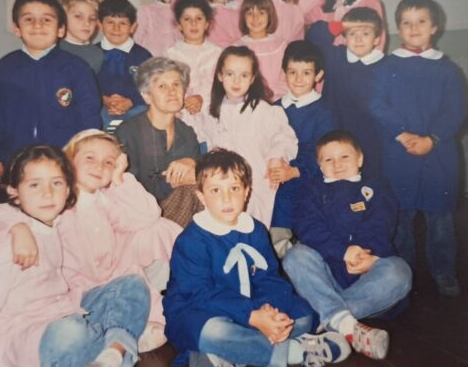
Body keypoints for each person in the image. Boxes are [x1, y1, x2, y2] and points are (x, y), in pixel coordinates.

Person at [0, 145, 150, 366]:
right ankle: (111, 349)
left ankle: (112, 353)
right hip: (21, 337)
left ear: (68, 190)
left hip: (63, 311)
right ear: (14, 193)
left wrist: (119, 180)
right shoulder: (11, 249)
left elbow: (143, 217)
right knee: (71, 332)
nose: (47, 193)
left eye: (56, 183)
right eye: (34, 185)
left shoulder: (59, 222)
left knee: (132, 285)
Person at [0, 130, 182, 352]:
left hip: (111, 274)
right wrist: (17, 227)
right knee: (111, 305)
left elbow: (149, 216)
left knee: (159, 228)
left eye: (109, 162)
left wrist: (120, 179)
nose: (99, 167)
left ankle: (130, 320)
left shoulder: (107, 199)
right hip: (73, 287)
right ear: (69, 161)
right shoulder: (55, 196)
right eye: (90, 158)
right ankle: (115, 329)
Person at [163, 148, 351, 367]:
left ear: (246, 192)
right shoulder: (192, 240)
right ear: (201, 196)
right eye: (215, 190)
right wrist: (252, 316)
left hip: (252, 306)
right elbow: (200, 295)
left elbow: (269, 278)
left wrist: (270, 312)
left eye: (234, 188)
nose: (226, 198)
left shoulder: (256, 230)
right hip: (200, 310)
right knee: (214, 332)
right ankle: (296, 352)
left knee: (302, 317)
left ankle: (232, 354)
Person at [283, 131, 412, 360]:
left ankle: (329, 319)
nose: (337, 164)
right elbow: (308, 227)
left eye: (345, 157)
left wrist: (367, 254)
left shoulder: (376, 187)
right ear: (320, 165)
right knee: (296, 255)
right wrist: (343, 251)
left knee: (399, 271)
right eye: (328, 159)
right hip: (327, 276)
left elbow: (382, 222)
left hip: (368, 280)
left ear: (359, 159)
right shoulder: (311, 190)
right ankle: (345, 325)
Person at [370, 0, 466, 297]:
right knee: (401, 218)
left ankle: (444, 270)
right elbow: (377, 104)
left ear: (435, 27)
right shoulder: (387, 66)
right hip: (400, 155)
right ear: (398, 28)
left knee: (440, 220)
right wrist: (402, 135)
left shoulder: (448, 70)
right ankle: (403, 273)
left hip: (439, 157)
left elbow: (456, 111)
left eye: (421, 22)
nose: (413, 28)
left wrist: (431, 139)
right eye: (406, 23)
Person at [0, 0, 102, 176]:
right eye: (29, 19)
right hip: (16, 163)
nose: (38, 25)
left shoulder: (77, 69)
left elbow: (89, 118)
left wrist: (82, 156)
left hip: (63, 161)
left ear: (61, 29)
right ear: (16, 28)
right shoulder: (4, 69)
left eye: (47, 19)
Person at [200, 46, 298, 227]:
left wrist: (276, 158)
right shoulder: (211, 112)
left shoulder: (264, 111)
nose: (236, 81)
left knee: (250, 228)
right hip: (222, 185)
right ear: (220, 75)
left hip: (255, 184)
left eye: (244, 75)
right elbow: (201, 138)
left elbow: (283, 137)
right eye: (230, 74)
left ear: (252, 79)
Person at [115, 57, 202, 227]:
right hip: (137, 215)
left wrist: (193, 165)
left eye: (176, 84)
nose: (172, 91)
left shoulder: (186, 133)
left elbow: (200, 176)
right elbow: (122, 190)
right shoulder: (128, 132)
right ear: (147, 96)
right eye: (162, 86)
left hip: (179, 211)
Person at [270, 40, 336, 257]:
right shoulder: (274, 108)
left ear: (318, 76)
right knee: (276, 237)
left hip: (308, 181)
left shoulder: (324, 112)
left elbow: (323, 153)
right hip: (277, 184)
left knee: (309, 236)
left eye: (306, 72)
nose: (298, 79)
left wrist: (295, 171)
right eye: (292, 72)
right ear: (284, 73)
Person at [307, 7, 386, 179]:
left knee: (370, 183)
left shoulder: (386, 66)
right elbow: (313, 37)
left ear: (377, 39)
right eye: (352, 33)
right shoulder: (335, 57)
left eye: (365, 33)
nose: (358, 39)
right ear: (344, 36)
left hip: (371, 140)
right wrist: (341, 25)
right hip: (335, 133)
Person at [165, 0, 222, 138]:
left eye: (199, 18)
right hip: (181, 114)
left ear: (207, 23)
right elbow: (167, 86)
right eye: (187, 19)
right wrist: (185, 101)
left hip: (211, 114)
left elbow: (221, 87)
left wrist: (201, 99)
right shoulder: (170, 55)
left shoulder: (217, 53)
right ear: (179, 24)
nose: (193, 23)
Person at [97, 0, 152, 132]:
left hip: (135, 108)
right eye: (110, 22)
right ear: (100, 25)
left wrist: (130, 101)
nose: (116, 28)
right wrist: (104, 100)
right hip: (103, 108)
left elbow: (150, 86)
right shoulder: (92, 53)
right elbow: (87, 85)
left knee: (145, 111)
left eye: (123, 23)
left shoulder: (143, 55)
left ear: (133, 27)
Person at [235, 0, 287, 101]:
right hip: (245, 101)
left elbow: (286, 79)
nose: (255, 18)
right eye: (250, 13)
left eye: (261, 13)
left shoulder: (281, 46)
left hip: (276, 100)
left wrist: (270, 95)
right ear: (243, 16)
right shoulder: (236, 48)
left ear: (269, 15)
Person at [58, 0, 104, 75]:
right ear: (62, 18)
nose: (87, 23)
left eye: (92, 18)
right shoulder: (54, 49)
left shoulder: (98, 54)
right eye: (78, 16)